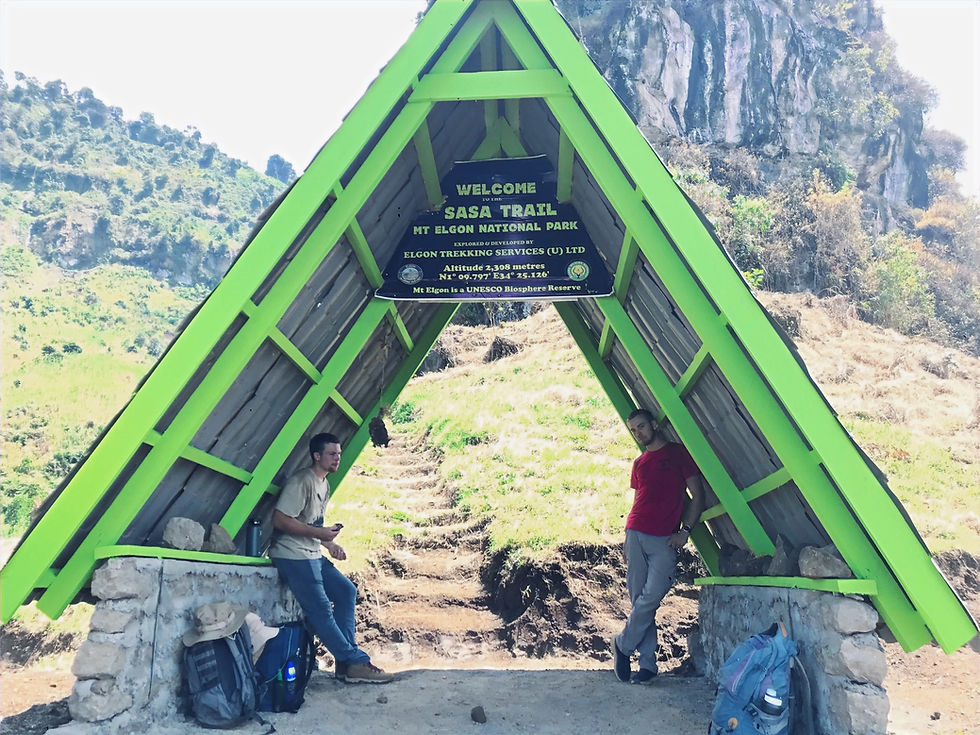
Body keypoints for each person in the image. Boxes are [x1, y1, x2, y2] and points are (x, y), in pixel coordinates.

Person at [269, 432, 393, 683]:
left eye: (339, 453)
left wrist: (329, 543)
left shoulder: (324, 483)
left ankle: (345, 664)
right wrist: (319, 534)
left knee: (346, 591)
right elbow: (280, 520)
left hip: (312, 553)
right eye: (332, 454)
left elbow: (310, 524)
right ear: (317, 456)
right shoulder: (302, 481)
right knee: (321, 610)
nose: (338, 458)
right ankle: (355, 661)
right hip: (293, 556)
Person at [613, 409, 705, 685]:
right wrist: (628, 538)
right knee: (639, 598)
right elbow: (639, 500)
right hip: (636, 532)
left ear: (653, 424)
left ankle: (622, 645)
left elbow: (698, 495)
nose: (638, 433)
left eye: (641, 426)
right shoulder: (639, 463)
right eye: (633, 430)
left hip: (665, 538)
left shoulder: (678, 454)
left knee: (651, 596)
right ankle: (648, 665)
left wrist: (685, 531)